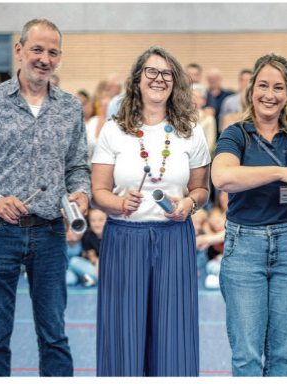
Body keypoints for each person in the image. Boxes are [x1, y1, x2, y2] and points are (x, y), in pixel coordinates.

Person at [0, 18, 90, 376]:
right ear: (19, 51)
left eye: (53, 52)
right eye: (37, 49)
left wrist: (80, 192)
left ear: (59, 57)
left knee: (55, 335)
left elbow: (77, 167)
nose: (44, 58)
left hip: (50, 234)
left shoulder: (70, 107)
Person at [91, 46, 211, 376]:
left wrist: (189, 204)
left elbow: (202, 189)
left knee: (174, 333)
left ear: (175, 82)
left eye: (166, 73)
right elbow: (98, 191)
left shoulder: (191, 130)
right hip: (124, 239)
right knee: (122, 332)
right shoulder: (114, 130)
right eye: (151, 72)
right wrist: (118, 203)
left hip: (174, 238)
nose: (159, 79)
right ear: (137, 80)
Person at [211, 53, 287, 376]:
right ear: (251, 91)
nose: (269, 95)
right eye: (262, 85)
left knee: (284, 356)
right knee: (247, 357)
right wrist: (281, 172)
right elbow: (223, 178)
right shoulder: (236, 134)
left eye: (278, 87)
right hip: (244, 249)